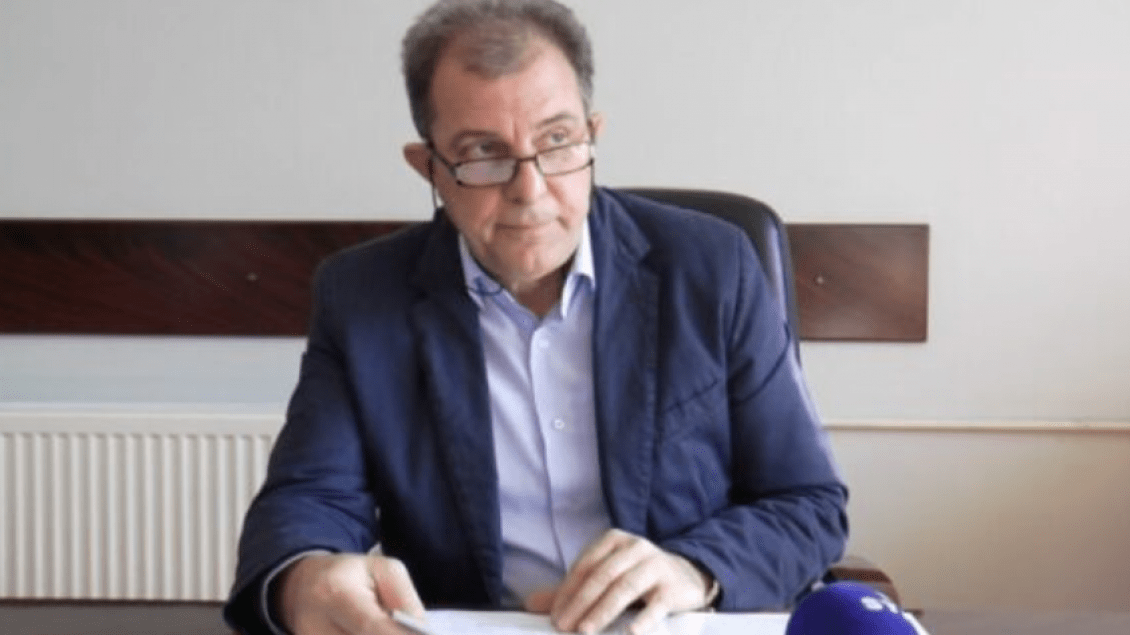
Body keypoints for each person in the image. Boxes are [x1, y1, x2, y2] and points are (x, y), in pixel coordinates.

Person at [224, 1, 848, 634]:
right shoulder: (363, 297)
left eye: (556, 142)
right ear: (429, 167)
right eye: (483, 152)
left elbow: (806, 503)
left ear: (592, 134)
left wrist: (696, 568)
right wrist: (304, 579)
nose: (530, 190)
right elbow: (309, 500)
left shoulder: (712, 267)